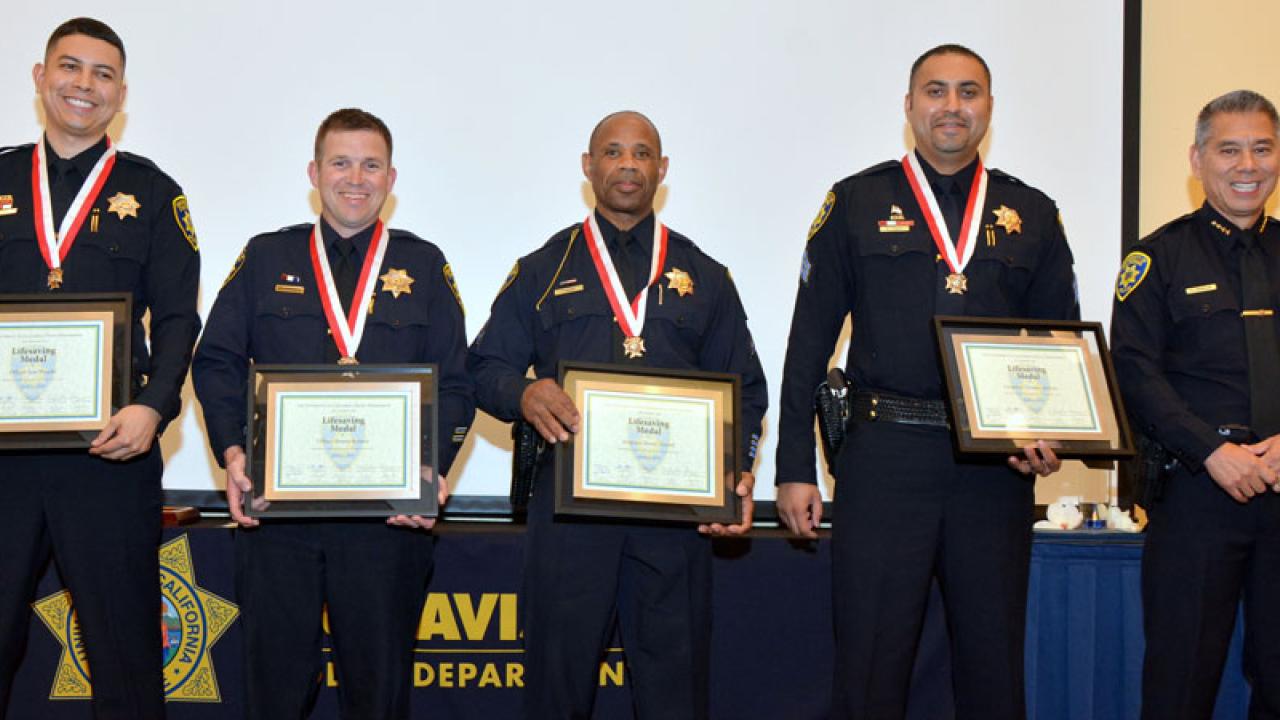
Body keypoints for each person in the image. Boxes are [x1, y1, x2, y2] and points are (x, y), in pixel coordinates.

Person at [774, 44, 1076, 719]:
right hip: (885, 458)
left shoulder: (1031, 213)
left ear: (989, 109)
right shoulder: (855, 201)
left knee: (993, 664)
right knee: (870, 664)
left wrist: (1051, 431)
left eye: (968, 92)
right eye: (935, 91)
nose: (952, 106)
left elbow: (1059, 346)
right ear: (909, 106)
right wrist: (794, 465)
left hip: (993, 468)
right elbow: (809, 343)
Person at [468, 110, 767, 719]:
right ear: (588, 166)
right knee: (558, 689)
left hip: (676, 521)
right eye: (612, 152)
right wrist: (524, 394)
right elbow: (483, 368)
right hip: (569, 517)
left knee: (675, 694)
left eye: (641, 153)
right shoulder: (543, 270)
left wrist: (736, 472)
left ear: (661, 169)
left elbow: (748, 391)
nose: (627, 165)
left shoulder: (705, 277)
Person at [191, 108, 474, 719]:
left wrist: (430, 467)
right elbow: (214, 361)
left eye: (370, 165)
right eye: (340, 162)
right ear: (314, 172)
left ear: (391, 177)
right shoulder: (266, 257)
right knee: (275, 692)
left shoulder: (424, 266)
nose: (355, 178)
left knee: (379, 697)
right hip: (279, 522)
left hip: (386, 525)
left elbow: (456, 382)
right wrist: (233, 454)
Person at [0, 18, 201, 720]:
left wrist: (154, 406)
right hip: (2, 463)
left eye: (103, 74)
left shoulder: (153, 193)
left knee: (124, 656)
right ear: (39, 76)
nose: (84, 85)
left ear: (121, 93)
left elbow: (178, 320)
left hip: (109, 454)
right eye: (70, 67)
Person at [1111, 89, 1280, 720]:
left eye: (1261, 148)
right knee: (1182, 679)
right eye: (1228, 149)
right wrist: (1212, 451)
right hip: (1198, 495)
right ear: (1197, 159)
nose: (1247, 165)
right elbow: (1134, 371)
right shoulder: (1156, 258)